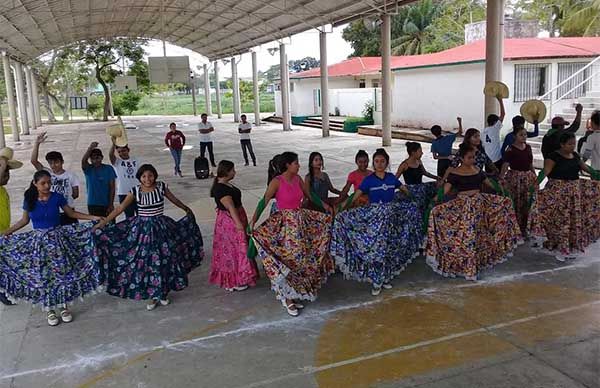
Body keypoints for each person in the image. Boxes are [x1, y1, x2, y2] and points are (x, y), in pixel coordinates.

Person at [93, 164, 204, 310]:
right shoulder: (135, 191)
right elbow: (120, 208)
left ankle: (163, 293)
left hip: (162, 229)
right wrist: (104, 223)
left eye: (150, 175)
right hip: (142, 232)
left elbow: (174, 200)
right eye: (144, 176)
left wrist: (186, 208)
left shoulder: (161, 187)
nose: (147, 179)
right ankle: (152, 296)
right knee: (148, 263)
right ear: (139, 178)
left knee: (165, 260)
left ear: (155, 176)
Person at [0, 170, 102, 326]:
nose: (47, 185)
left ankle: (64, 307)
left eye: (49, 182)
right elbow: (24, 221)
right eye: (43, 183)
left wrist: (92, 217)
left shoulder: (57, 197)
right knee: (44, 276)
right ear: (35, 183)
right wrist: (6, 233)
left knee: (62, 274)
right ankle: (50, 310)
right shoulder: (29, 199)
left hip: (57, 241)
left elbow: (71, 213)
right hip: (39, 245)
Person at [250, 152, 333, 317]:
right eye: (296, 163)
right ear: (288, 165)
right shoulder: (277, 182)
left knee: (300, 259)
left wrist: (324, 205)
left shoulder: (298, 179)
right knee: (288, 259)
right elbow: (264, 201)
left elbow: (310, 195)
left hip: (300, 223)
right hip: (285, 226)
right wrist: (253, 221)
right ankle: (286, 298)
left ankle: (293, 292)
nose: (299, 165)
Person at [331, 148, 423, 296]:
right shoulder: (369, 180)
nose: (379, 164)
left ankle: (383, 277)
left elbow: (404, 190)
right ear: (373, 163)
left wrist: (414, 200)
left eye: (382, 161)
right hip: (375, 218)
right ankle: (376, 281)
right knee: (376, 249)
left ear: (386, 163)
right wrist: (342, 206)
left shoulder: (391, 178)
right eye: (376, 161)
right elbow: (356, 195)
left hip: (390, 218)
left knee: (388, 248)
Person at [426, 143, 521, 280]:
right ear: (462, 158)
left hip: (479, 203)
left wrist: (501, 188)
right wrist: (435, 200)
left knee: (479, 232)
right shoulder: (455, 172)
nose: (473, 159)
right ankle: (467, 268)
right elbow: (446, 189)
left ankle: (477, 263)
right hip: (464, 206)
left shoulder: (477, 169)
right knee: (468, 234)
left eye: (474, 157)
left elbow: (488, 183)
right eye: (470, 157)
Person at [529, 133, 600, 260]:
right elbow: (545, 171)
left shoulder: (575, 156)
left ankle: (571, 244)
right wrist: (535, 184)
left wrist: (595, 173)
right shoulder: (553, 156)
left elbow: (584, 167)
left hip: (573, 193)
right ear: (562, 144)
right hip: (558, 193)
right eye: (569, 144)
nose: (572, 146)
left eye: (574, 144)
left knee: (572, 219)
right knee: (560, 219)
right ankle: (557, 243)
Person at [209, 160, 259, 291]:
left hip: (235, 218)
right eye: (232, 170)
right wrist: (238, 224)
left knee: (235, 249)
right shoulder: (221, 188)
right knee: (234, 249)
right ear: (226, 172)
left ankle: (237, 278)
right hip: (231, 222)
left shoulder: (225, 184)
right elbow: (230, 207)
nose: (234, 172)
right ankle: (234, 281)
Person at [31, 132, 80, 225]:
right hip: (53, 211)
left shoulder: (71, 176)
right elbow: (34, 161)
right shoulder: (47, 173)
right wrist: (37, 143)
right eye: (51, 163)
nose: (53, 165)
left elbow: (75, 194)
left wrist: (65, 200)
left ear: (62, 162)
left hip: (68, 210)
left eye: (56, 162)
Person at [500, 127, 537, 237]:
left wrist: (534, 176)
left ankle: (525, 227)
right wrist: (501, 177)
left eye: (525, 135)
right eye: (521, 135)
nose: (524, 137)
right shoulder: (510, 149)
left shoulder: (528, 148)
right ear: (515, 136)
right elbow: (505, 165)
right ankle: (515, 227)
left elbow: (530, 164)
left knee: (527, 202)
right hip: (515, 178)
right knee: (516, 202)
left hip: (527, 178)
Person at [0, 147, 22, 306]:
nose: (7, 177)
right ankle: (3, 294)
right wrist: (3, 162)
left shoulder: (3, 191)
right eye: (5, 174)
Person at [395, 142, 440, 213]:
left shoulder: (419, 161)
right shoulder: (404, 165)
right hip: (411, 189)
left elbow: (425, 173)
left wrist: (437, 177)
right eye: (420, 151)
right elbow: (395, 179)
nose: (422, 153)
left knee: (439, 185)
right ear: (413, 153)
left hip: (421, 187)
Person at [81, 142, 116, 217]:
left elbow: (112, 188)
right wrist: (90, 148)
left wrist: (111, 204)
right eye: (92, 159)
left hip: (106, 203)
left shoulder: (108, 168)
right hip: (93, 204)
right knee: (96, 226)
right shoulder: (88, 169)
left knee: (110, 226)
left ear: (102, 157)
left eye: (97, 158)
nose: (95, 161)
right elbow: (83, 161)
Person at [109, 140, 140, 219]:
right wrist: (113, 143)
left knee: (141, 215)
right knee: (129, 216)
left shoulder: (136, 160)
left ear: (128, 150)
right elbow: (110, 155)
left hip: (137, 191)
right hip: (123, 193)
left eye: (123, 151)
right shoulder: (117, 162)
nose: (121, 153)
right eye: (119, 152)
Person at [482, 96, 506, 171]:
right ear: (495, 123)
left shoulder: (483, 132)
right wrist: (500, 100)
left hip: (488, 161)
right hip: (497, 159)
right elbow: (503, 114)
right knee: (498, 179)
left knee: (490, 179)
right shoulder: (495, 129)